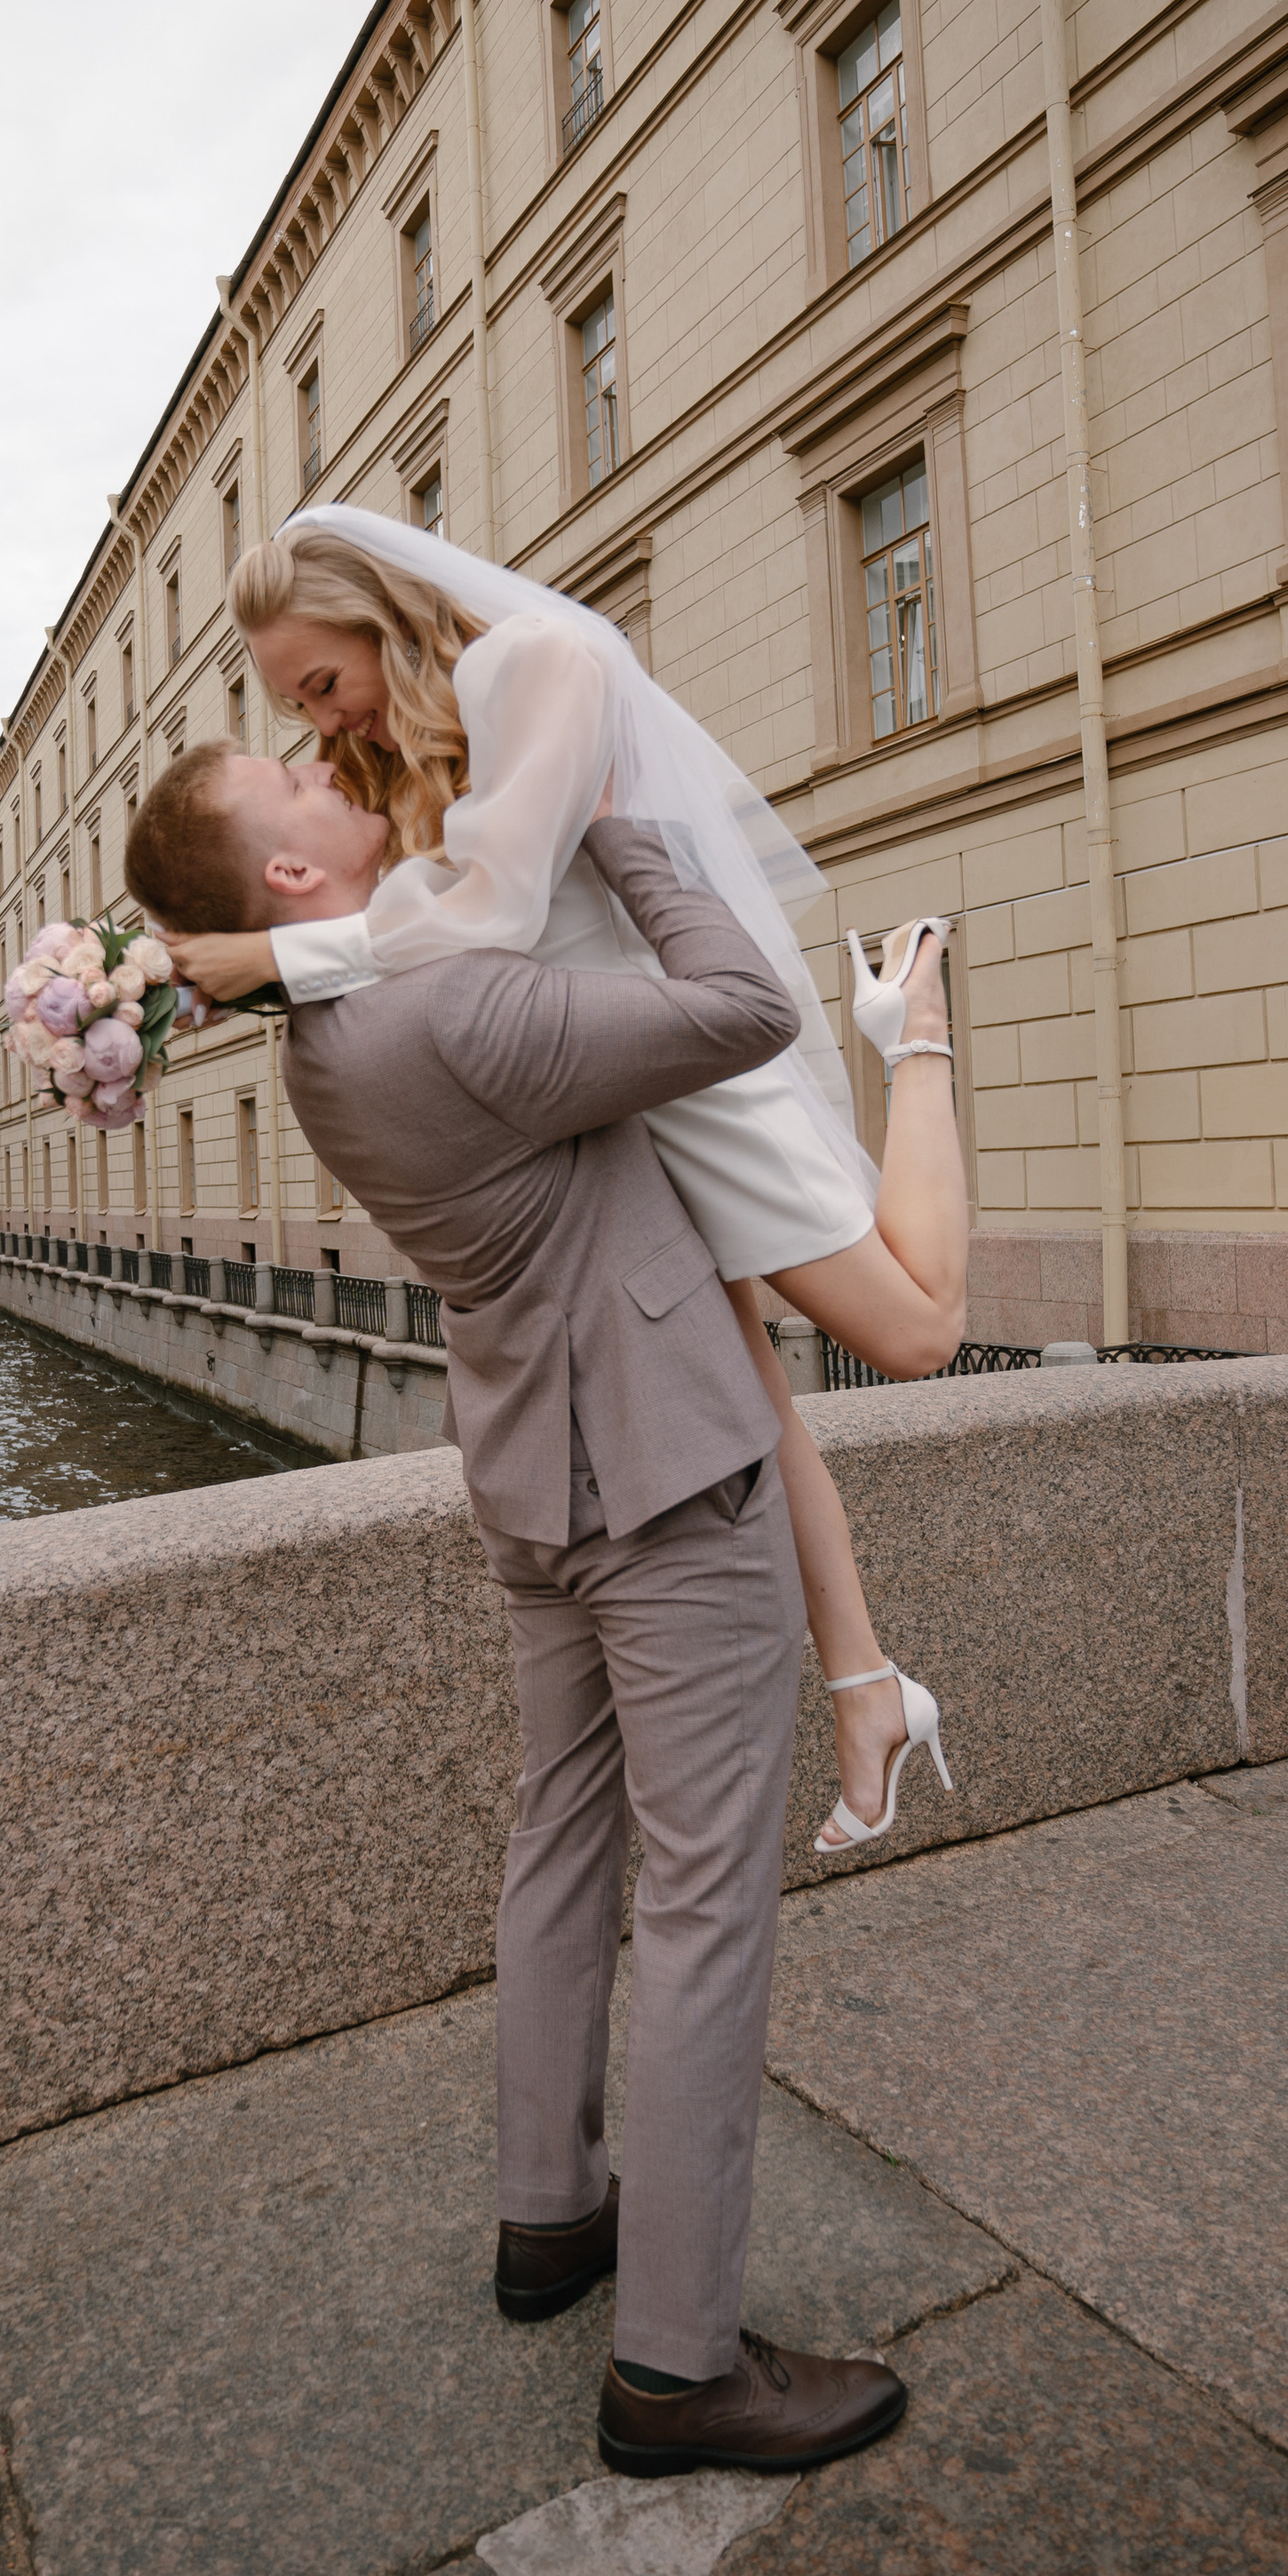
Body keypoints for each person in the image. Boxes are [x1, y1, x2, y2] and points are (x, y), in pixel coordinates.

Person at [131, 756, 909, 2475]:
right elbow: (746, 1005)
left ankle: (552, 2214)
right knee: (706, 1897)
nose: (333, 768)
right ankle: (680, 2365)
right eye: (297, 778)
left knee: (560, 1835)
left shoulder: (332, 1038)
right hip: (662, 1470)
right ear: (283, 868)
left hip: (534, 1481)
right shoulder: (457, 1011)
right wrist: (620, 807)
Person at [168, 511, 966, 1858]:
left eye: (321, 682)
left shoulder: (536, 662)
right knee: (758, 1404)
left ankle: (918, 1038)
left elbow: (493, 907)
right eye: (298, 703)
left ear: (382, 615)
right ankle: (867, 1690)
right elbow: (406, 924)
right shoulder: (417, 734)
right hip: (601, 1093)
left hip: (689, 1062)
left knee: (917, 1330)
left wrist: (279, 962)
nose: (323, 722)